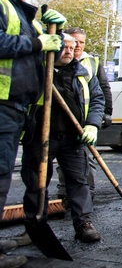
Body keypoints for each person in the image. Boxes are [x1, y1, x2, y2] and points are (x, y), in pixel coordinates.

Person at [0, 0, 64, 268]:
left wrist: (58, 34)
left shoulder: (28, 16)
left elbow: (54, 54)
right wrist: (38, 41)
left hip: (19, 108)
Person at [21, 34, 104, 243]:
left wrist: (92, 125)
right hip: (40, 136)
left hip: (73, 137)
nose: (69, 51)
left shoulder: (82, 73)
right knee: (36, 182)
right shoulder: (37, 69)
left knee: (78, 181)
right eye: (64, 47)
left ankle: (83, 222)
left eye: (72, 47)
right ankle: (34, 224)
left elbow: (97, 99)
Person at [53, 27, 114, 201]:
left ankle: (88, 194)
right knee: (63, 163)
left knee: (86, 159)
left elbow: (102, 90)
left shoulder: (92, 62)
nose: (77, 46)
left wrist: (105, 114)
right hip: (60, 121)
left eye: (81, 42)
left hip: (85, 121)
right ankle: (65, 194)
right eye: (74, 42)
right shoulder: (53, 61)